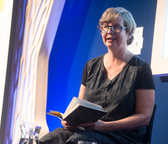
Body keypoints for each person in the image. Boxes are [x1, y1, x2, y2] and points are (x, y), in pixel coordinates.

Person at [40, 7, 155, 144]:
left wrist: (106, 126)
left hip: (120, 136)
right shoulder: (91, 66)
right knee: (48, 140)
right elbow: (79, 106)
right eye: (105, 27)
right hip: (85, 131)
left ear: (129, 33)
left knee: (78, 141)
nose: (109, 32)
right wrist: (71, 120)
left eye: (116, 27)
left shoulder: (141, 68)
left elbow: (144, 117)